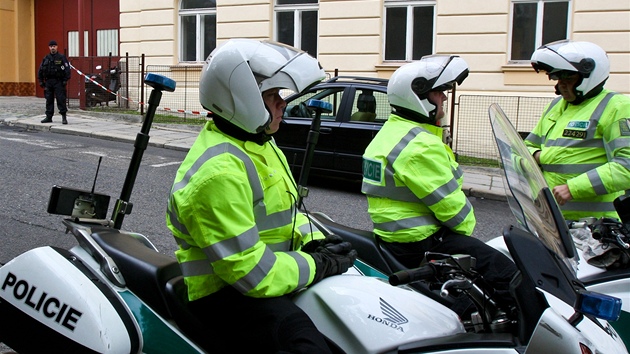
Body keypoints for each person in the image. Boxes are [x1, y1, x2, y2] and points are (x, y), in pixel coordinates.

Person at [166, 39, 357, 353]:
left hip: (269, 278)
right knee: (306, 344)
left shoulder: (257, 144)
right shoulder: (219, 172)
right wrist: (316, 263)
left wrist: (314, 242)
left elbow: (288, 214)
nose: (283, 103)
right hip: (225, 294)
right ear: (241, 99)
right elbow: (251, 273)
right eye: (272, 96)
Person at [361, 55, 517, 307]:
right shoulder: (419, 145)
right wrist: (466, 240)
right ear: (419, 97)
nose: (444, 97)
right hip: (421, 242)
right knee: (507, 275)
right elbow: (456, 215)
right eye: (439, 92)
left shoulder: (392, 132)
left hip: (396, 239)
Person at [527, 40, 630, 221]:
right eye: (558, 78)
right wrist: (538, 155)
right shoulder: (556, 106)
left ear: (588, 76)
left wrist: (574, 188)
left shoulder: (616, 107)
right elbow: (527, 146)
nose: (561, 85)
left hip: (597, 225)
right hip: (554, 220)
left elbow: (626, 166)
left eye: (568, 78)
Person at [38, 40, 71, 124]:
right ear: (49, 47)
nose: (52, 48)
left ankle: (64, 117)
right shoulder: (46, 58)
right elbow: (41, 70)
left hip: (58, 81)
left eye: (54, 46)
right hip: (48, 81)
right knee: (49, 99)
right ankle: (48, 117)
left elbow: (67, 69)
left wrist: (65, 80)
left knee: (61, 99)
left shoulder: (61, 57)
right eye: (51, 46)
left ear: (57, 47)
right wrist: (41, 81)